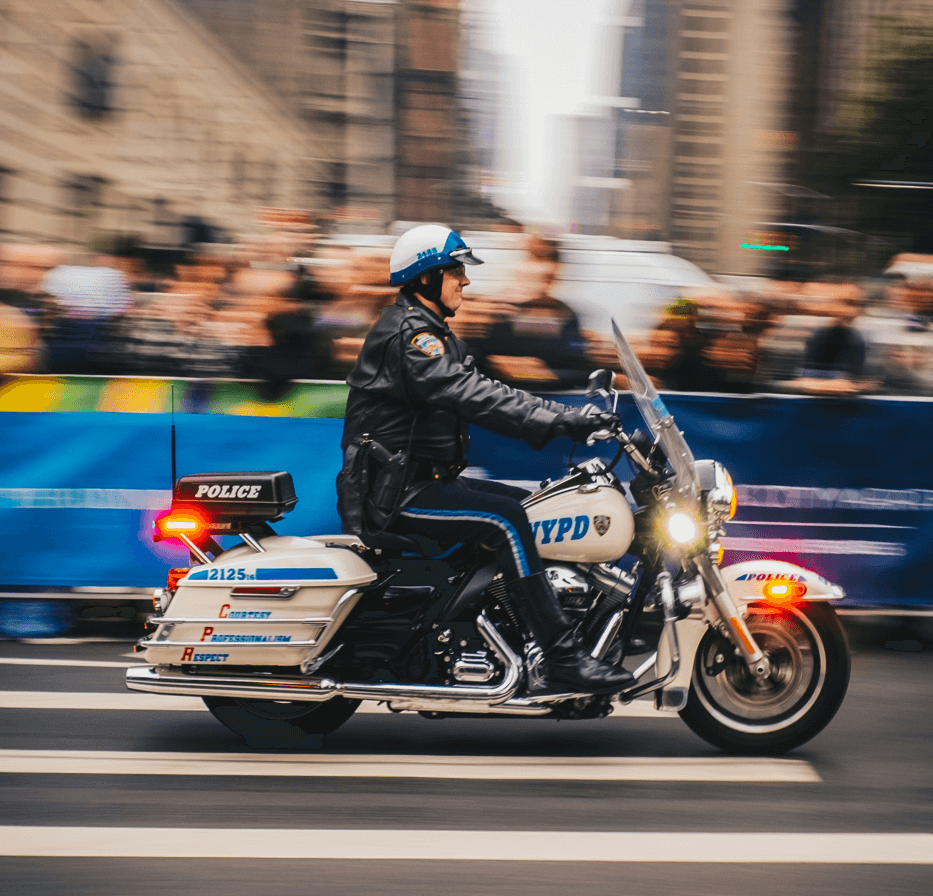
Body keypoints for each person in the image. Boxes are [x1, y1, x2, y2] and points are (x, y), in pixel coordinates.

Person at [336, 224, 634, 695]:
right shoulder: (412, 338)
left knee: (535, 507)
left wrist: (568, 414)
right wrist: (562, 421)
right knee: (508, 520)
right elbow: (469, 394)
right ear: (426, 277)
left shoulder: (434, 334)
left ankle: (516, 635)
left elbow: (492, 391)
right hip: (396, 494)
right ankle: (561, 657)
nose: (465, 281)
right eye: (455, 271)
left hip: (421, 480)